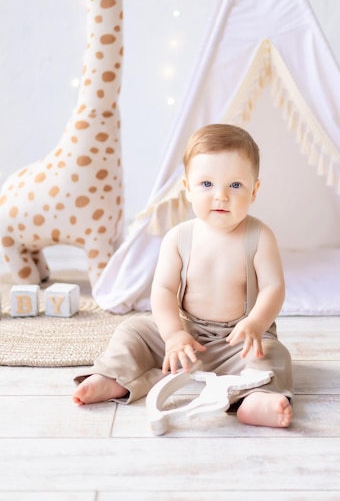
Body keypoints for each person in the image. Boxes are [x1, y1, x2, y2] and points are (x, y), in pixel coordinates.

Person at [73, 123, 294, 428]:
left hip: (241, 340)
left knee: (273, 355)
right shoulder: (178, 238)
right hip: (188, 336)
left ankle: (256, 398)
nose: (221, 196)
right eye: (206, 184)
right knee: (132, 331)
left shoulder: (260, 236)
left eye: (235, 185)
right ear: (187, 187)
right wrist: (173, 334)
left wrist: (256, 323)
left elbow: (273, 287)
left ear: (254, 190)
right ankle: (114, 377)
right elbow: (163, 290)